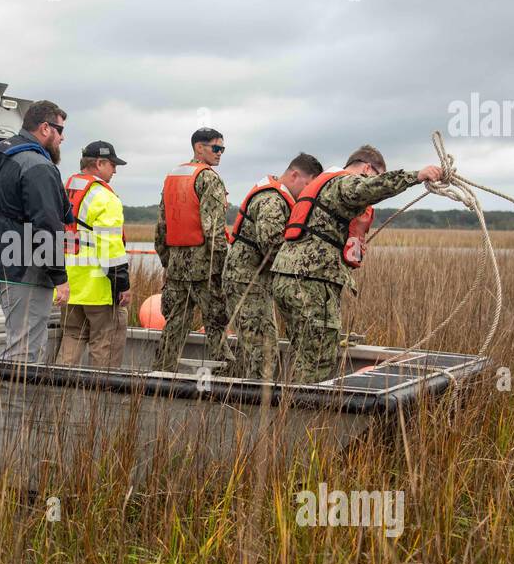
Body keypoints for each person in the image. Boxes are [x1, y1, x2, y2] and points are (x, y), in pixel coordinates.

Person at [270, 144, 444, 384]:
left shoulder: (323, 184)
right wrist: (415, 176)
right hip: (310, 283)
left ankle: (289, 404)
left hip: (287, 279)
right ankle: (304, 414)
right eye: (377, 175)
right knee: (318, 358)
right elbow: (369, 188)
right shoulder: (345, 182)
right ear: (366, 168)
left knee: (305, 352)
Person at [0, 100, 72, 363]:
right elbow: (47, 225)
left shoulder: (1, 155)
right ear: (45, 128)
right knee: (25, 354)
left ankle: (16, 401)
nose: (62, 137)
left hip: (3, 266)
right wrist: (60, 277)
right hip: (26, 271)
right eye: (60, 130)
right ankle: (13, 405)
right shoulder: (37, 165)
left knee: (21, 345)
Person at [224, 152, 323, 380]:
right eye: (308, 185)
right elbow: (271, 245)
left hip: (256, 283)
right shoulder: (272, 200)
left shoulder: (280, 196)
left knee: (264, 345)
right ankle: (254, 404)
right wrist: (307, 264)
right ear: (294, 175)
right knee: (262, 351)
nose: (309, 192)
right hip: (246, 283)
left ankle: (256, 396)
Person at [152, 127, 233, 371]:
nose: (220, 154)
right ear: (199, 147)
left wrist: (167, 263)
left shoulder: (172, 176)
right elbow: (214, 229)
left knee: (175, 322)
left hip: (177, 265)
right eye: (216, 148)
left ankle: (161, 372)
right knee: (217, 321)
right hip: (205, 266)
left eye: (222, 149)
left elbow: (161, 228)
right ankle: (228, 373)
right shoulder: (209, 178)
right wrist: (220, 268)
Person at [56, 140, 131, 368]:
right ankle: (100, 400)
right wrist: (122, 285)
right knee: (105, 343)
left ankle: (57, 397)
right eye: (112, 164)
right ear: (99, 163)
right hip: (98, 287)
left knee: (71, 338)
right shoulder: (104, 197)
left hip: (68, 285)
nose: (115, 170)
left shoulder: (62, 190)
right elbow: (110, 247)